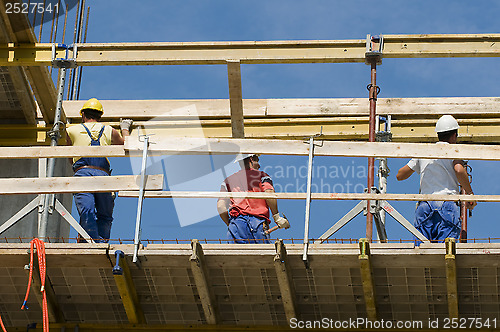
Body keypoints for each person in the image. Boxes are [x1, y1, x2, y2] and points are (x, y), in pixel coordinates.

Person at [396, 115, 476, 242]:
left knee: (422, 251)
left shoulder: (424, 151)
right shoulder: (454, 150)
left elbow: (400, 175)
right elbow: (459, 170)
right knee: (446, 251)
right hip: (447, 204)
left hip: (425, 205)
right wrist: (470, 194)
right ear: (454, 135)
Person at [66, 98, 133, 243]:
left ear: (83, 114)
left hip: (83, 173)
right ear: (100, 116)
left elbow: (70, 158)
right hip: (103, 175)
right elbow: (127, 144)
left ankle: (90, 241)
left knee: (87, 211)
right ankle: (99, 241)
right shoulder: (109, 130)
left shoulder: (71, 130)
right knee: (105, 214)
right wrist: (125, 128)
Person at [217, 154, 290, 243]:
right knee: (261, 255)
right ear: (251, 159)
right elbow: (269, 193)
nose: (259, 165)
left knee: (236, 255)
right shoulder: (262, 176)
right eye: (257, 160)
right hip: (257, 223)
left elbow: (221, 206)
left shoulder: (228, 181)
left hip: (236, 224)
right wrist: (277, 217)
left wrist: (231, 224)